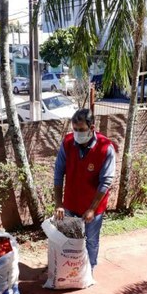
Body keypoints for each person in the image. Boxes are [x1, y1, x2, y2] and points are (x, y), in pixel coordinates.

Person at [54, 108, 116, 272]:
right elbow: (58, 174)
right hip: (70, 203)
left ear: (92, 128)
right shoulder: (67, 143)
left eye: (81, 130)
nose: (77, 133)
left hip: (92, 207)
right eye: (74, 129)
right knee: (68, 238)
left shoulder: (105, 148)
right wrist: (58, 203)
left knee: (91, 240)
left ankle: (89, 269)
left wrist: (92, 209)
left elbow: (106, 182)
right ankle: (70, 270)